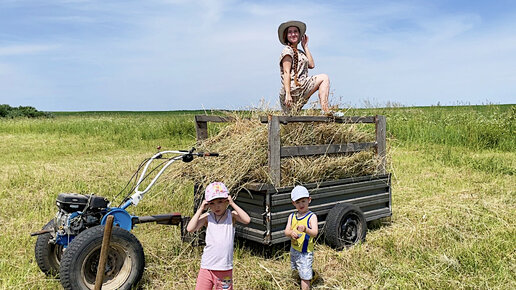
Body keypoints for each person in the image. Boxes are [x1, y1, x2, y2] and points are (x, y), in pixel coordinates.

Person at [187, 182, 251, 290]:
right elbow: (190, 228)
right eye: (212, 203)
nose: (217, 206)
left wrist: (232, 203)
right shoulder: (208, 217)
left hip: (224, 268)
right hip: (207, 266)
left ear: (226, 201)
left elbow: (247, 220)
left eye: (220, 202)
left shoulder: (231, 216)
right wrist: (201, 208)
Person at [278, 20, 331, 114]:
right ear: (286, 36)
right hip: (293, 90)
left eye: (295, 31)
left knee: (292, 119)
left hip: (301, 88)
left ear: (299, 35)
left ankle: (325, 111)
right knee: (324, 77)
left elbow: (311, 65)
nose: (293, 34)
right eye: (290, 32)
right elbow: (286, 73)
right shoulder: (287, 50)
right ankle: (325, 110)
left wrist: (305, 47)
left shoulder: (300, 52)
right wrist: (288, 94)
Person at [284, 185, 319, 290]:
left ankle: (307, 283)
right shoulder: (292, 216)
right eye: (298, 202)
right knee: (296, 270)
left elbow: (315, 233)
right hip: (294, 249)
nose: (301, 204)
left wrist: (305, 229)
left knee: (305, 276)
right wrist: (291, 233)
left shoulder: (311, 217)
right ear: (293, 203)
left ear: (309, 200)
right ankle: (310, 275)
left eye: (303, 201)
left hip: (305, 252)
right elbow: (286, 231)